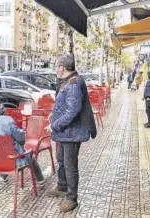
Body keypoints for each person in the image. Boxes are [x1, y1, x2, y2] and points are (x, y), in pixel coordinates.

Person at [45, 55, 97, 212]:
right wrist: (54, 115)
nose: (55, 69)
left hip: (72, 132)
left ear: (62, 67)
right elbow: (65, 106)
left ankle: (71, 198)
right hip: (66, 131)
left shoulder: (74, 83)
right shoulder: (68, 80)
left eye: (56, 66)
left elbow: (72, 111)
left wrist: (54, 125)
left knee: (70, 164)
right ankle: (62, 186)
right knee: (61, 158)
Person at [0, 96, 46, 184]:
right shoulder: (6, 121)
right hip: (12, 161)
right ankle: (40, 180)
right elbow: (21, 139)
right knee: (29, 155)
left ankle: (3, 175)